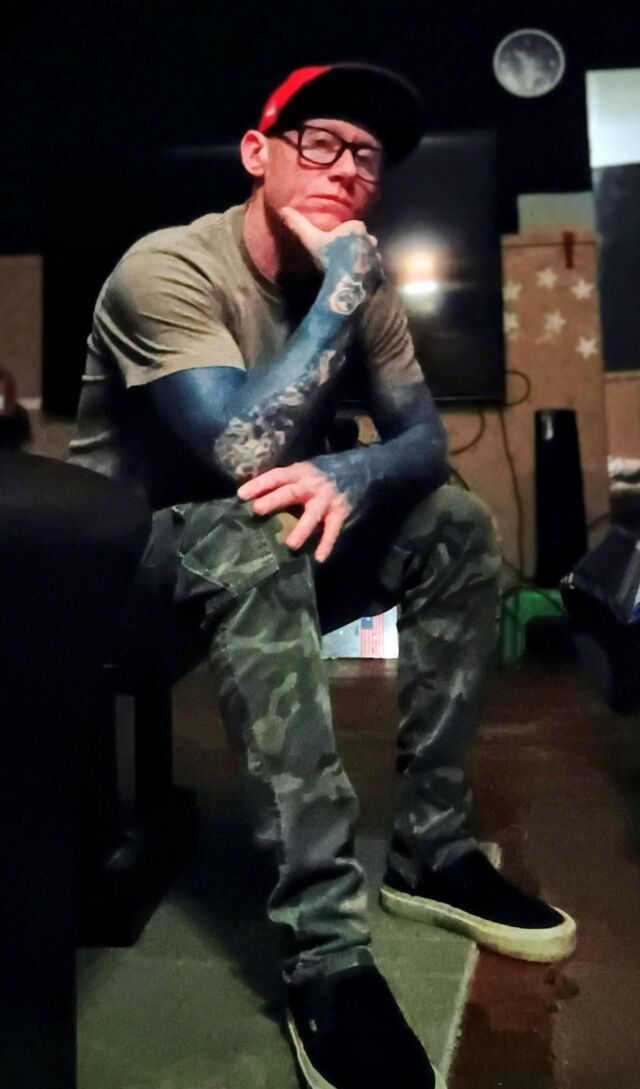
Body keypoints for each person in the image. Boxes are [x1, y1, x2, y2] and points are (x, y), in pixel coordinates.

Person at [68, 63, 576, 1089]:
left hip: (258, 548)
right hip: (120, 586)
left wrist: (358, 467)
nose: (346, 169)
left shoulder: (361, 282)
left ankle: (432, 849)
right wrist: (343, 290)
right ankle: (327, 953)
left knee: (454, 524)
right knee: (255, 526)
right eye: (319, 142)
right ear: (257, 155)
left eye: (367, 157)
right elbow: (239, 453)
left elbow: (424, 442)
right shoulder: (167, 267)